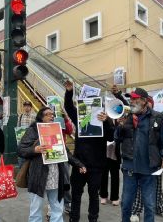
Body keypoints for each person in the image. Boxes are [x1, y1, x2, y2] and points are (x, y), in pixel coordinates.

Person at [111, 85, 163, 221]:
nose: (131, 102)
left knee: (149, 205)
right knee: (126, 203)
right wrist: (120, 127)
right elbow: (117, 139)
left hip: (149, 170)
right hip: (130, 169)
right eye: (131, 99)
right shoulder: (126, 117)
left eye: (135, 99)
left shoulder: (157, 117)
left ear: (144, 101)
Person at [18, 107, 86, 222]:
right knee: (36, 209)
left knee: (57, 208)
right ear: (41, 117)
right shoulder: (33, 130)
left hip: (55, 175)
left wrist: (79, 164)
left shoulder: (56, 130)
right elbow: (20, 150)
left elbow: (65, 152)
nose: (51, 116)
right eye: (48, 114)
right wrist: (35, 150)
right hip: (38, 175)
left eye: (52, 114)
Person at [64, 80, 114, 222]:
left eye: (94, 103)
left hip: (97, 165)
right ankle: (74, 219)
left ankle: (93, 218)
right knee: (76, 195)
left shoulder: (103, 119)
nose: (90, 106)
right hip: (80, 163)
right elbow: (68, 106)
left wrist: (107, 122)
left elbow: (111, 137)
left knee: (94, 195)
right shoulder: (81, 117)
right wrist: (69, 92)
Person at [99, 139, 121, 206]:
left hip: (115, 151)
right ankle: (103, 196)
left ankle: (114, 197)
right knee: (103, 174)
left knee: (115, 175)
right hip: (104, 151)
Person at [17, 100, 37, 167]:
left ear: (31, 107)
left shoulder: (35, 116)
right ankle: (21, 168)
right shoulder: (21, 116)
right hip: (22, 138)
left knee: (30, 154)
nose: (26, 108)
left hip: (31, 139)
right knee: (21, 154)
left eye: (28, 106)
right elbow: (18, 127)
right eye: (25, 106)